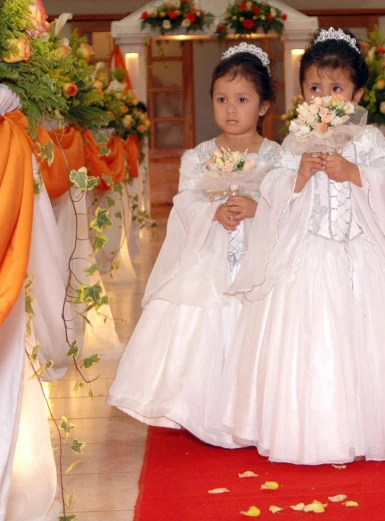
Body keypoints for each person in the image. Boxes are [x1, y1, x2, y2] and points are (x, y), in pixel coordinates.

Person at [213, 28, 385, 465]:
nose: (325, 96)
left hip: (360, 255)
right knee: (309, 342)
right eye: (314, 87)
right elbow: (272, 191)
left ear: (357, 93)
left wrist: (355, 173)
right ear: (303, 92)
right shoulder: (294, 142)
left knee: (367, 340)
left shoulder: (369, 141)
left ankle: (373, 424)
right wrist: (299, 176)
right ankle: (311, 428)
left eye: (337, 87)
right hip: (307, 255)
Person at [107, 43, 281, 447]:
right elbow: (186, 201)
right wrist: (213, 211)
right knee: (205, 325)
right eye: (221, 99)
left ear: (264, 106)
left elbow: (287, 201)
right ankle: (203, 408)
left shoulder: (277, 156)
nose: (230, 109)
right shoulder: (199, 155)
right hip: (209, 255)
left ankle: (255, 409)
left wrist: (257, 206)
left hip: (258, 257)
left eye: (242, 99)